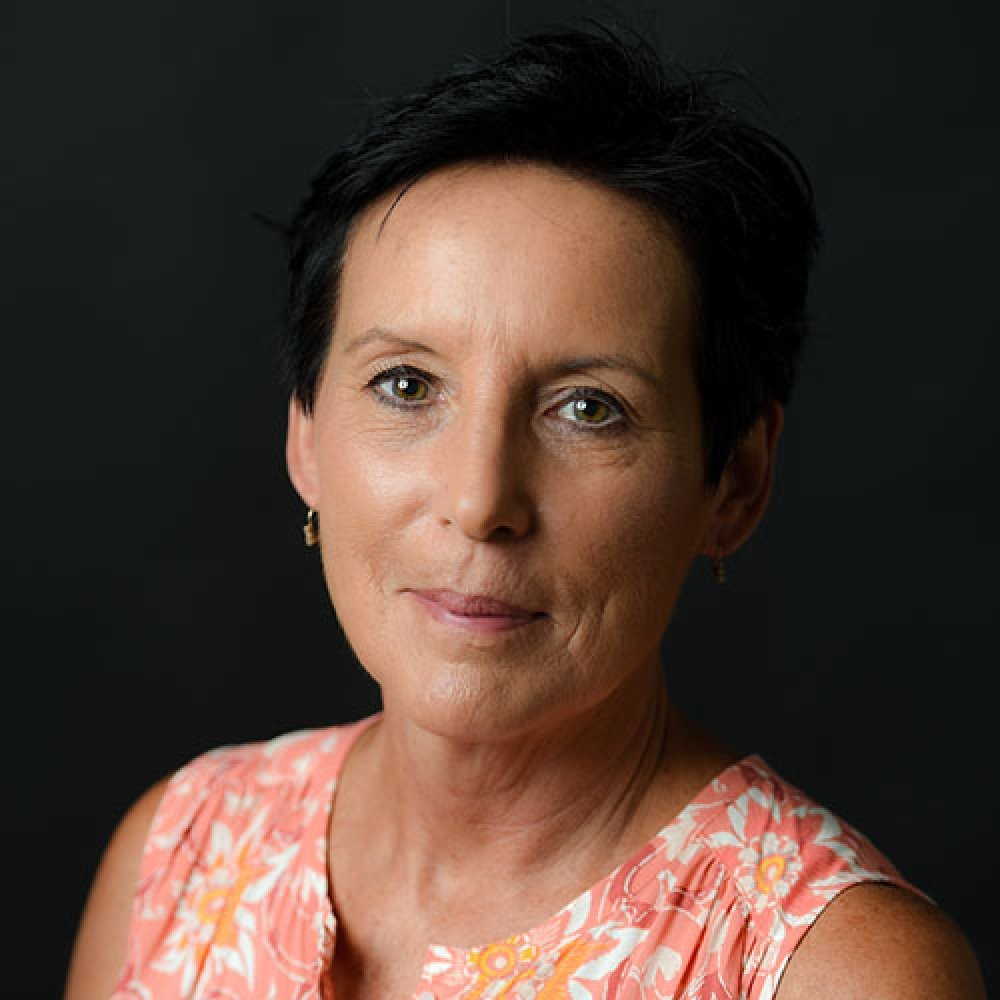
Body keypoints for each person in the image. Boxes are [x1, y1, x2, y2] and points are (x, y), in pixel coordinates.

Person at [66, 27, 985, 1000]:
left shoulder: (827, 970)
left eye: (589, 408)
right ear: (303, 434)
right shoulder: (181, 850)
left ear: (736, 481)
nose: (479, 502)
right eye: (407, 384)